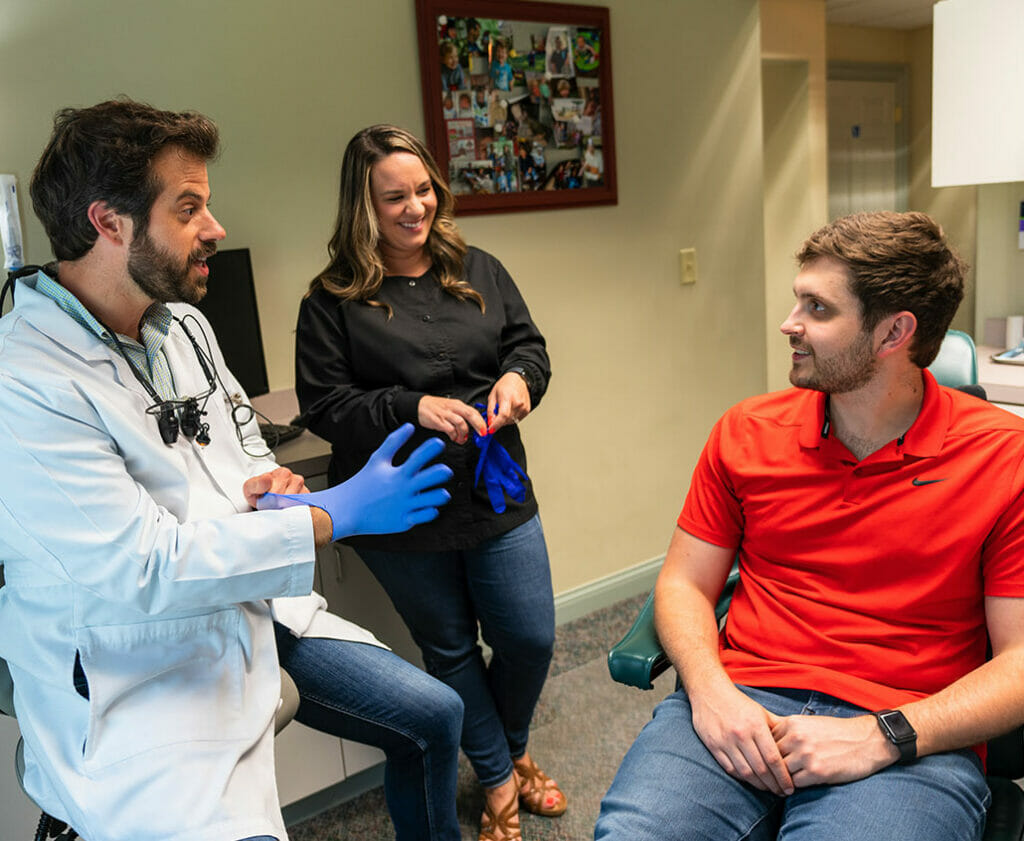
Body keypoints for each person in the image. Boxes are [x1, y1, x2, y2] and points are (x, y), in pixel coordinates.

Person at [0, 98, 466, 841]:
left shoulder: (182, 323)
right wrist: (325, 517)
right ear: (108, 223)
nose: (215, 230)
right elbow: (143, 568)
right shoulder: (24, 376)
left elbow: (242, 446)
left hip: (249, 606)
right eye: (188, 209)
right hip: (139, 668)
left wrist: (270, 485)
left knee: (435, 715)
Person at [594, 211, 1024, 841]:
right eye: (798, 301)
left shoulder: (1003, 457)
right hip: (742, 699)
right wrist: (709, 692)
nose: (789, 324)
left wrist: (884, 736)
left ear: (893, 332)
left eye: (818, 309)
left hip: (908, 728)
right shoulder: (746, 432)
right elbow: (684, 583)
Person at [294, 124, 563, 841]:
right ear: (363, 208)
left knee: (530, 636)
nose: (415, 208)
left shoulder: (481, 266)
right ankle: (504, 779)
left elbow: (526, 345)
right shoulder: (330, 301)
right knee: (447, 649)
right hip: (401, 506)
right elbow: (325, 404)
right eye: (394, 198)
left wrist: (518, 377)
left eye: (423, 192)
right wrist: (409, 406)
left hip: (494, 487)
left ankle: (509, 746)